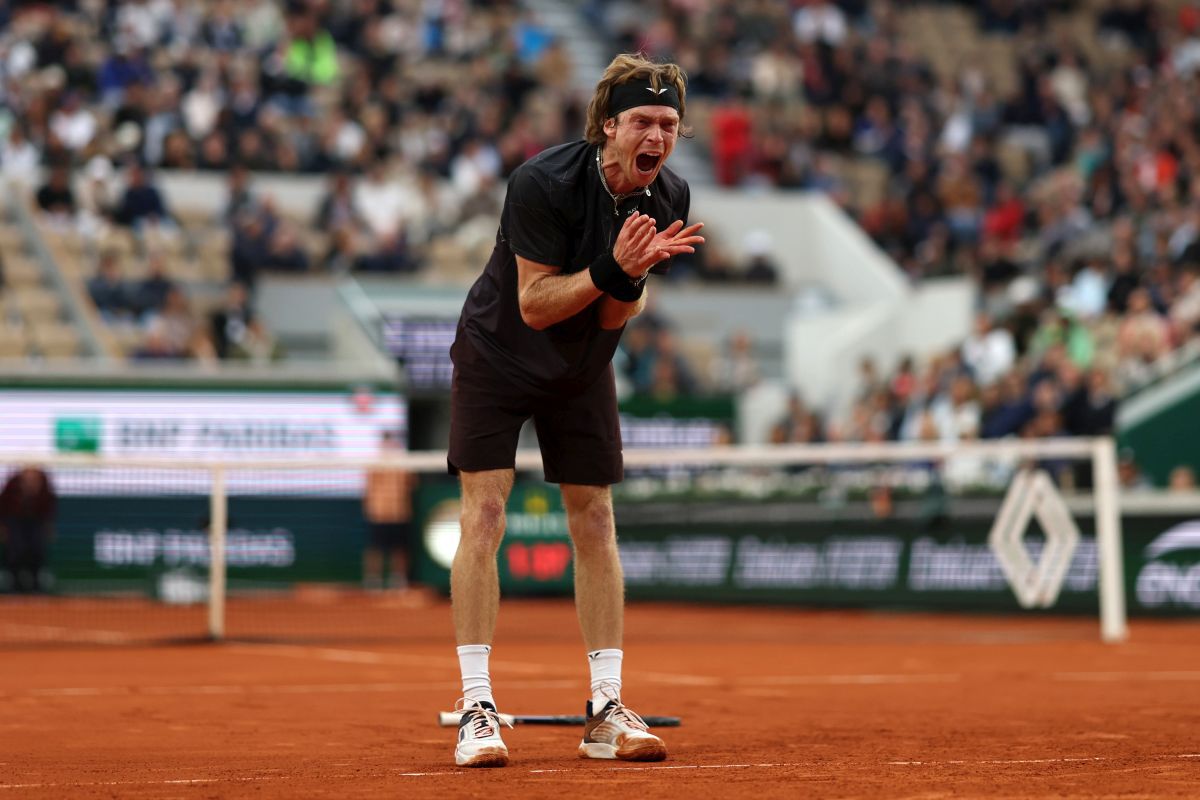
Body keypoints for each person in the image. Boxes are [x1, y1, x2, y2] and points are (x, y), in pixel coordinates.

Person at [446, 53, 704, 768]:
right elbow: (532, 304)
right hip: (497, 355)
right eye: (644, 122)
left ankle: (605, 709)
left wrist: (631, 274)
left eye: (670, 125)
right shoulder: (541, 182)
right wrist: (612, 269)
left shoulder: (668, 197)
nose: (657, 136)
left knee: (595, 517)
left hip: (581, 363)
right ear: (609, 126)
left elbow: (618, 311)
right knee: (486, 513)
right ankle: (475, 708)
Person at [362, 430, 416, 590]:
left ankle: (398, 580)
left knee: (399, 548)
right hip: (379, 513)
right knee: (375, 548)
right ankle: (373, 580)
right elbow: (369, 487)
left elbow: (412, 482)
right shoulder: (375, 464)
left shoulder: (403, 463)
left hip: (399, 512)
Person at [0, 467, 57, 593]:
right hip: (15, 522)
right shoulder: (13, 483)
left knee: (36, 550)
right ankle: (15, 584)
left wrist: (48, 526)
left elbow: (49, 507)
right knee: (15, 550)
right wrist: (3, 527)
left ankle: (36, 584)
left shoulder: (44, 483)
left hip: (35, 523)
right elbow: (3, 505)